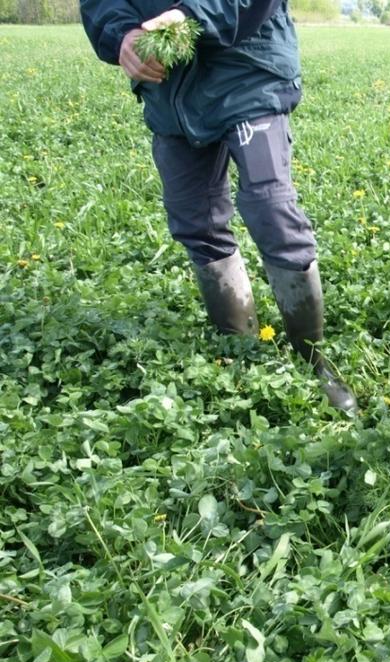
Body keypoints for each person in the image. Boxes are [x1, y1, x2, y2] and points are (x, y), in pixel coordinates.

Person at [79, 0, 356, 414]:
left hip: (247, 67)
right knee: (195, 220)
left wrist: (191, 15)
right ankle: (239, 348)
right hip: (170, 87)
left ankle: (313, 360)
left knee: (270, 208)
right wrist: (121, 34)